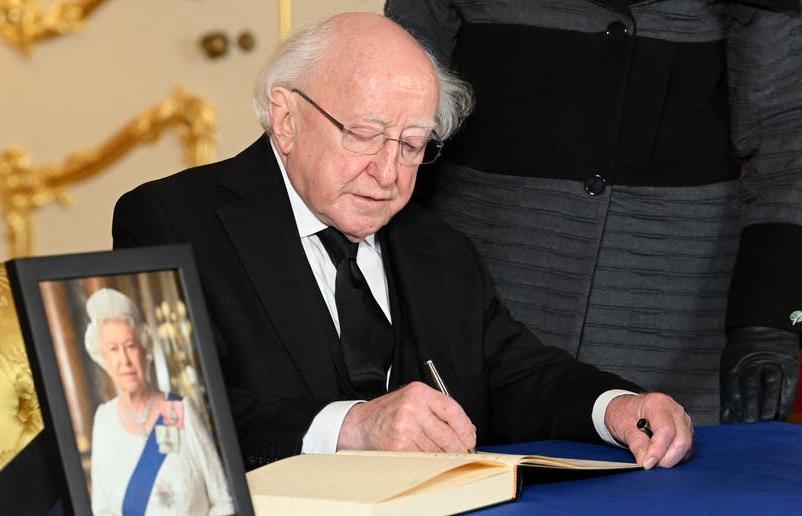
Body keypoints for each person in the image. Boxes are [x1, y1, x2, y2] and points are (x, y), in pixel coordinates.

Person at [112, 12, 693, 472]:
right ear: (285, 118)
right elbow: (164, 412)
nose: (389, 174)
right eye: (365, 136)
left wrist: (615, 407)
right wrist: (353, 427)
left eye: (413, 145)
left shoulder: (436, 245)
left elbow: (514, 373)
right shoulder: (171, 221)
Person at [384, 0, 802, 426]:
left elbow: (786, 141)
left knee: (661, 470)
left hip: (672, 309)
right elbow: (394, 115)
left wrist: (767, 318)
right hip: (485, 288)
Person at [84, 288, 234, 515]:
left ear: (146, 350)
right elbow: (102, 509)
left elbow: (222, 499)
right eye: (113, 349)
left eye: (130, 345)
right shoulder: (104, 420)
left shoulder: (179, 410)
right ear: (103, 358)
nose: (124, 360)